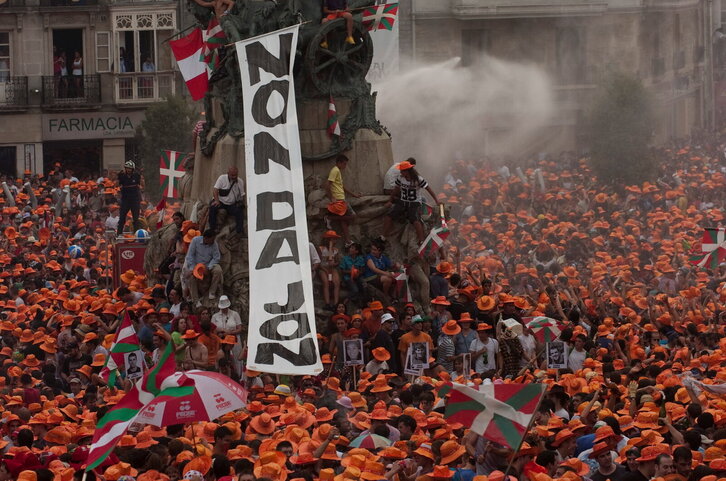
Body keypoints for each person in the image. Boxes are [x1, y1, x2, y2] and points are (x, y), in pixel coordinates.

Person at [383, 160, 440, 243]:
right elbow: (396, 189)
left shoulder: (418, 179)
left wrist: (436, 200)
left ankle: (421, 241)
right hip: (403, 201)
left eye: (402, 171)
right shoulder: (401, 178)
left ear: (407, 171)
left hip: (414, 203)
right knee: (389, 216)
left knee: (415, 219)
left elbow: (429, 189)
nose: (400, 172)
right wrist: (390, 201)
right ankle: (383, 236)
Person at [325, 155, 360, 242]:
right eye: (344, 164)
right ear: (339, 163)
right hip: (339, 199)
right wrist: (331, 197)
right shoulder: (335, 170)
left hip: (341, 197)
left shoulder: (338, 171)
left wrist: (354, 195)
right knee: (353, 216)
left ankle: (348, 241)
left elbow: (341, 186)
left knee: (343, 220)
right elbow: (327, 184)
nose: (345, 166)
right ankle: (329, 218)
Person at [184, 229, 223, 304]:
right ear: (205, 238)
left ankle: (212, 292)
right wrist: (193, 268)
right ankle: (196, 301)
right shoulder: (195, 241)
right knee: (191, 277)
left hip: (208, 265)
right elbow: (190, 256)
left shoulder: (214, 244)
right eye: (212, 239)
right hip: (196, 266)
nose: (213, 241)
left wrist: (209, 267)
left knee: (218, 270)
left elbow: (216, 258)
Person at [209, 166, 245, 234]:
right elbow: (215, 190)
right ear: (228, 173)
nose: (234, 177)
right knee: (213, 208)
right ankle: (212, 228)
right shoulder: (222, 178)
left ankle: (239, 231)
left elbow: (242, 195)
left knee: (239, 212)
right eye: (232, 175)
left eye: (235, 175)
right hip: (221, 202)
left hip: (231, 204)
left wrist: (240, 203)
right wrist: (216, 200)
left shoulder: (240, 181)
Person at [116, 160, 144, 236]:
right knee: (122, 217)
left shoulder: (136, 176)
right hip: (125, 199)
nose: (128, 170)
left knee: (136, 218)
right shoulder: (122, 176)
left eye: (130, 168)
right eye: (127, 168)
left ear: (132, 169)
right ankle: (119, 234)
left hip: (135, 199)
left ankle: (136, 234)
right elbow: (117, 185)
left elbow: (141, 186)